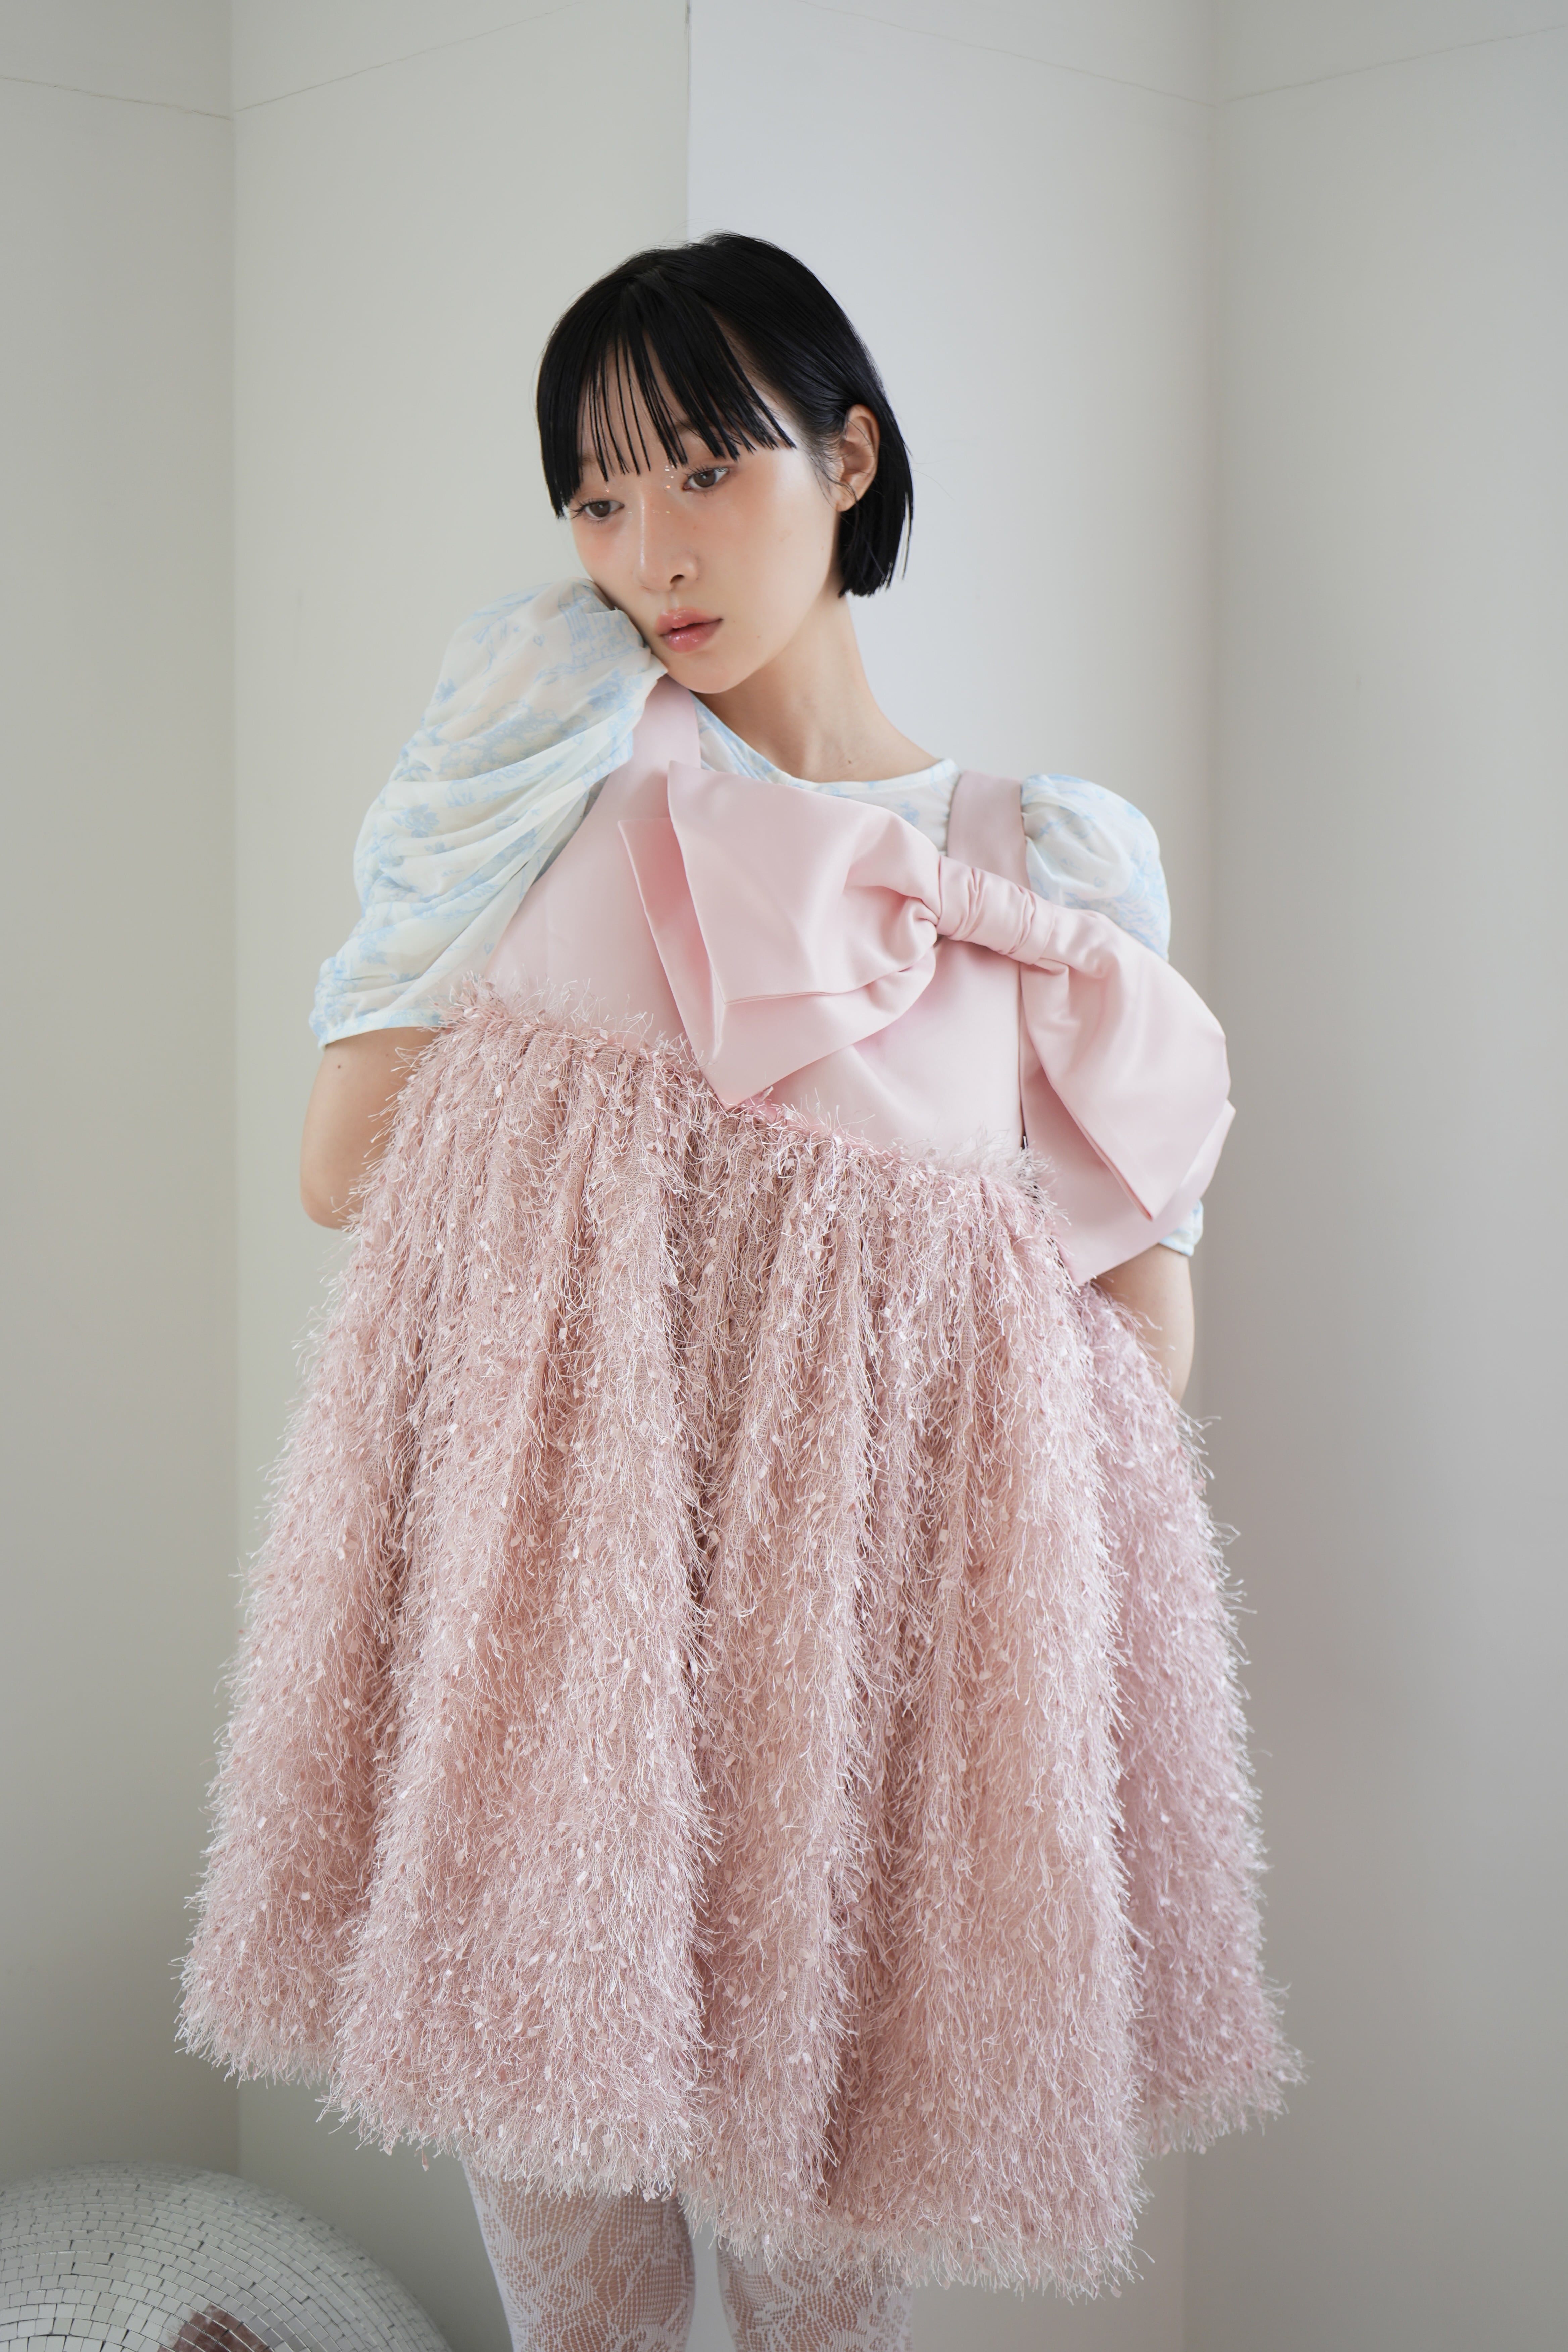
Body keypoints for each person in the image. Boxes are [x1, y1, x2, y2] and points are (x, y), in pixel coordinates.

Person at [182, 236, 1292, 2352]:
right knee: (583, 2302)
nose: (652, 552)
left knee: (817, 2309)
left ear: (847, 458)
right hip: (558, 1642)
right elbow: (344, 1170)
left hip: (867, 1670)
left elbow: (1138, 1338)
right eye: (599, 498)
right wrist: (469, 808)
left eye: (706, 469)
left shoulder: (1045, 864)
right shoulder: (566, 765)